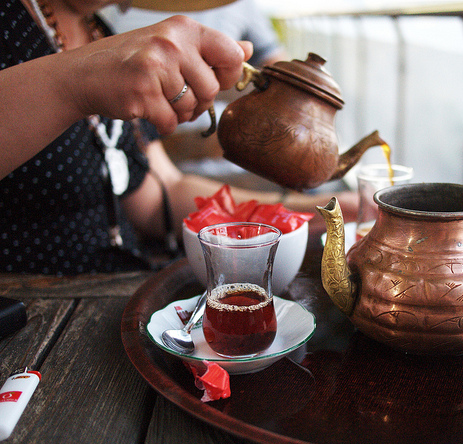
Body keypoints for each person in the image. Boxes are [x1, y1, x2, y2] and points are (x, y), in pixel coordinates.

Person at [0, 0, 356, 275]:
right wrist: (77, 81)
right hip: (36, 317)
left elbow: (160, 197)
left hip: (122, 289)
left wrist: (324, 211)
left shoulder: (100, 31)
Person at [103, 0, 288, 161]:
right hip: (136, 133)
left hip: (202, 140)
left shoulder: (240, 5)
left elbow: (276, 64)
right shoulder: (113, 11)